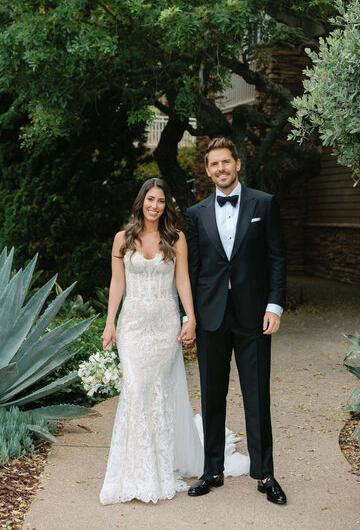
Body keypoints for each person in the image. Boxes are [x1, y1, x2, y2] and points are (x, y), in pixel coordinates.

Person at [100, 178, 249, 505]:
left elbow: (183, 280)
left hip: (165, 325)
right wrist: (109, 323)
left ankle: (159, 465)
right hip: (133, 327)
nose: (155, 205)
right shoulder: (122, 239)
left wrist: (190, 318)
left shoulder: (176, 239)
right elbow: (116, 284)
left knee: (158, 394)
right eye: (150, 199)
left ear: (166, 206)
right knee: (136, 389)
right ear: (141, 201)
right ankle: (135, 470)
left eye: (161, 201)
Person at [184, 138, 287, 504]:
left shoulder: (265, 203)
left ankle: (265, 474)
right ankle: (211, 470)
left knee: (257, 395)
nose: (221, 169)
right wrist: (189, 316)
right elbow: (192, 270)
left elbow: (276, 258)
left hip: (254, 316)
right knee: (212, 395)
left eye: (226, 162)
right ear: (208, 169)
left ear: (237, 164)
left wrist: (274, 306)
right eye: (214, 164)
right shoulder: (195, 213)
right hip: (211, 316)